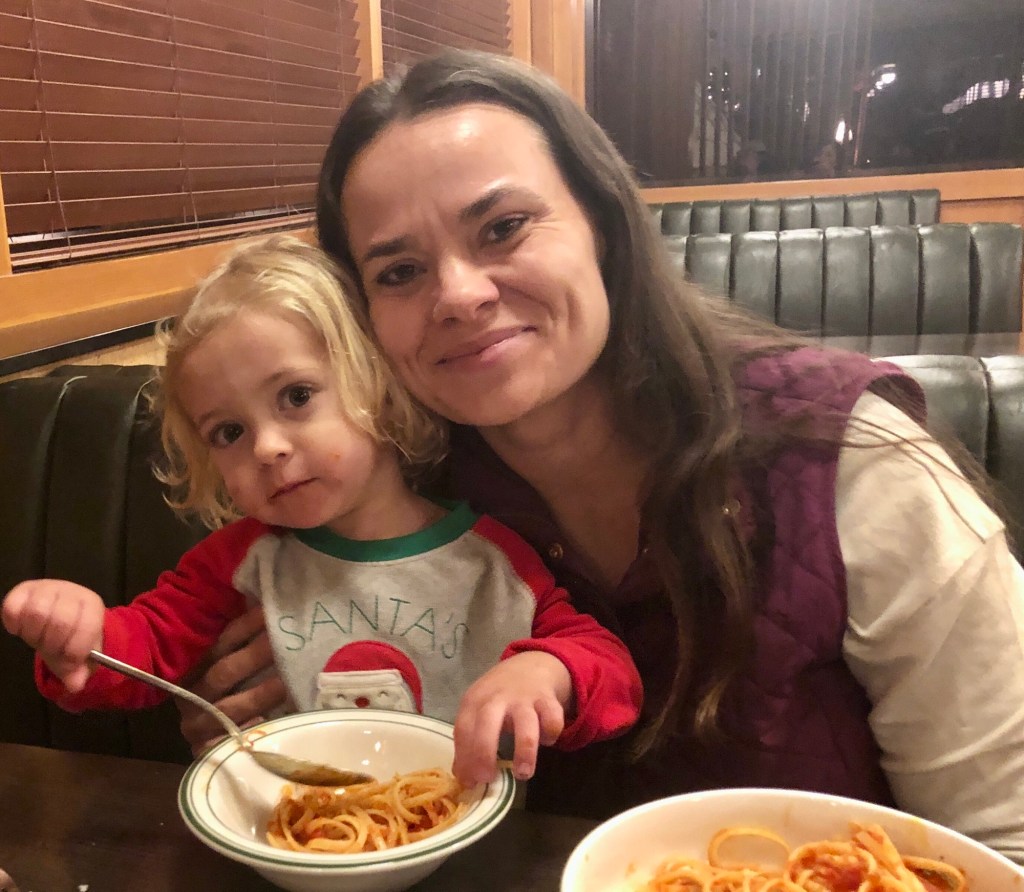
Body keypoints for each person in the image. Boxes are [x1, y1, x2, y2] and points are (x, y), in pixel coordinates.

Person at [177, 51, 1024, 862]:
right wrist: (306, 710)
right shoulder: (389, 497)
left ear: (604, 226)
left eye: (503, 228)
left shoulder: (845, 456)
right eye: (399, 272)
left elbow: (1004, 838)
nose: (460, 295)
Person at [0, 234, 642, 786]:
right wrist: (81, 637)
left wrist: (548, 672)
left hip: (469, 844)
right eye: (229, 432)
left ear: (376, 383)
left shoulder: (493, 558)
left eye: (297, 396)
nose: (267, 447)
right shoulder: (239, 560)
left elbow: (612, 673)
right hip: (291, 834)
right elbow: (144, 651)